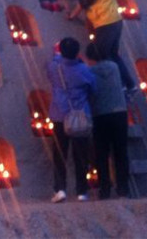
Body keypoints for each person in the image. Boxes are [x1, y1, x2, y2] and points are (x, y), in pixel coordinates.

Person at [65, 0, 136, 91]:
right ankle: (130, 85)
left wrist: (72, 15)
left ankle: (118, 86)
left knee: (100, 54)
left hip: (107, 22)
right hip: (111, 21)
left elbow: (85, 1)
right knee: (113, 55)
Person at [47, 37, 95, 203]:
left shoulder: (54, 67)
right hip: (80, 116)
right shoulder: (84, 70)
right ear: (77, 53)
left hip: (60, 116)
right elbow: (93, 88)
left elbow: (52, 69)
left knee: (60, 154)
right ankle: (82, 191)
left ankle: (60, 189)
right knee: (81, 155)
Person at [85, 43, 132, 199]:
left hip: (100, 114)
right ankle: (123, 189)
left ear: (90, 57)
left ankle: (105, 189)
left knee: (102, 153)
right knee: (121, 152)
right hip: (119, 112)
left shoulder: (90, 71)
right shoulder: (114, 67)